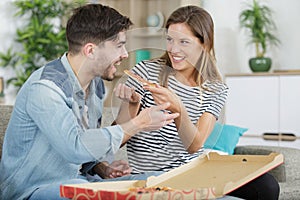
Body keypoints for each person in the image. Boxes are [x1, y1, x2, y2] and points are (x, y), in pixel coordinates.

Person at [0, 4, 180, 200]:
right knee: (87, 189)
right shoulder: (45, 88)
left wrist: (101, 168)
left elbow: (87, 146)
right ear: (90, 50)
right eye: (119, 45)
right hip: (31, 191)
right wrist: (140, 123)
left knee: (161, 181)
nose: (125, 54)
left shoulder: (95, 85)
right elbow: (75, 147)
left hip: (80, 181)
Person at [115, 5, 280, 200]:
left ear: (205, 45)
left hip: (194, 173)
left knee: (267, 186)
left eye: (184, 42)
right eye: (169, 40)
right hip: (155, 177)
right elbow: (116, 140)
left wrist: (178, 107)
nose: (173, 50)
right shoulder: (144, 71)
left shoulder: (215, 88)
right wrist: (132, 106)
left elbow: (195, 145)